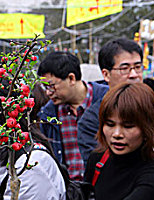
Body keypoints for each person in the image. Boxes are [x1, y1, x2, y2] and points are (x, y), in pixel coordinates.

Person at [78, 38, 154, 163]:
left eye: (138, 67)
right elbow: (98, 165)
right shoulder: (92, 120)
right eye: (125, 68)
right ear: (106, 74)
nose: (134, 74)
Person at [37, 51, 109, 180]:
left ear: (71, 78)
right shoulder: (49, 115)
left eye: (52, 86)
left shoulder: (107, 99)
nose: (48, 93)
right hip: (71, 190)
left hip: (104, 183)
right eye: (45, 87)